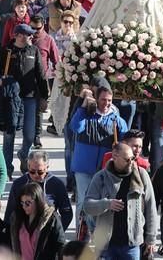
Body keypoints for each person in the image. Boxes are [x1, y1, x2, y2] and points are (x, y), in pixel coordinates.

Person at [0, 23, 49, 179]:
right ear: (17, 35)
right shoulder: (7, 51)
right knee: (9, 135)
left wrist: (44, 97)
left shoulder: (34, 50)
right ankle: (6, 170)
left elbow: (41, 74)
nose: (29, 37)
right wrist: (0, 80)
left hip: (30, 97)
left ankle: (24, 154)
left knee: (30, 135)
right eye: (26, 35)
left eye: (31, 35)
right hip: (11, 98)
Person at [84, 142, 158, 259]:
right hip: (106, 245)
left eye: (132, 158)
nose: (131, 162)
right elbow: (87, 206)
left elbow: (151, 207)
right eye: (127, 159)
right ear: (114, 157)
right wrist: (106, 204)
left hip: (131, 244)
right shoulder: (101, 177)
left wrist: (151, 238)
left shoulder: (141, 175)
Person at [69, 85, 128, 232]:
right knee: (83, 201)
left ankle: (94, 233)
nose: (106, 103)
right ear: (96, 98)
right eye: (103, 99)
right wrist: (83, 107)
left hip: (105, 170)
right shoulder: (86, 114)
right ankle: (81, 235)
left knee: (99, 202)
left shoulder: (117, 120)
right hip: (84, 168)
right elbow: (75, 127)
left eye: (109, 100)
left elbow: (125, 141)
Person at [5, 151, 73, 231]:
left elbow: (67, 213)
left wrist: (57, 232)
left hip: (48, 231)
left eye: (40, 172)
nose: (36, 175)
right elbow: (10, 213)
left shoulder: (57, 184)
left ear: (47, 167)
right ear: (28, 166)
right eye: (32, 171)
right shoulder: (19, 184)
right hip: (24, 232)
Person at [10, 182, 66, 259]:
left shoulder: (52, 218)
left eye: (28, 203)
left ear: (38, 201)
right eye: (22, 203)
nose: (24, 206)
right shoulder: (17, 218)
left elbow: (60, 245)